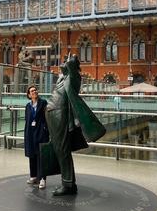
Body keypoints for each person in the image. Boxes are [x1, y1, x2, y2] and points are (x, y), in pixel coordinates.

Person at [45, 54, 106, 196]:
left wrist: (72, 58)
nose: (63, 61)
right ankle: (69, 183)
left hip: (61, 115)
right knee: (59, 150)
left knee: (62, 150)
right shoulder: (64, 77)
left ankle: (68, 185)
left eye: (66, 61)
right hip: (54, 115)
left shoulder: (73, 76)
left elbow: (72, 63)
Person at [24, 85, 49, 189]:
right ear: (29, 95)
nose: (34, 92)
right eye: (32, 91)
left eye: (35, 90)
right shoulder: (28, 106)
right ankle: (33, 176)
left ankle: (42, 179)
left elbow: (47, 116)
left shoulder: (43, 103)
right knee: (32, 154)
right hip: (30, 132)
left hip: (40, 132)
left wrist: (45, 129)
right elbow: (27, 119)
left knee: (41, 156)